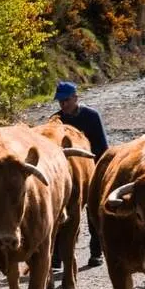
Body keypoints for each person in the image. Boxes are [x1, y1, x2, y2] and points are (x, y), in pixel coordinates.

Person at [53, 80, 108, 267]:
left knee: (93, 211)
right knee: (61, 211)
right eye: (60, 101)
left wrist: (100, 170)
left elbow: (101, 146)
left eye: (66, 100)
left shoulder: (91, 116)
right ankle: (56, 256)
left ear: (76, 97)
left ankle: (96, 252)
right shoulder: (56, 120)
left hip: (89, 167)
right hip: (66, 172)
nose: (63, 105)